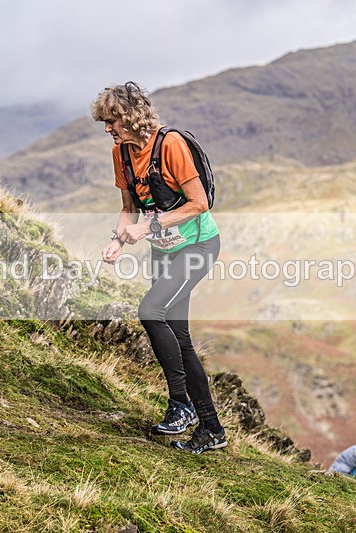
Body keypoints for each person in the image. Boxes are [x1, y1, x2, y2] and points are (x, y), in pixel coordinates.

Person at [91, 82, 226, 454]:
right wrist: (118, 240)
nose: (107, 129)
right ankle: (210, 428)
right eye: (104, 122)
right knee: (178, 337)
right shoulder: (121, 153)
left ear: (132, 116)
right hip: (165, 251)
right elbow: (128, 207)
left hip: (198, 246)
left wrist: (148, 228)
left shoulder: (171, 145)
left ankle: (181, 405)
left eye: (112, 120)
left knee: (150, 311)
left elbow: (198, 203)